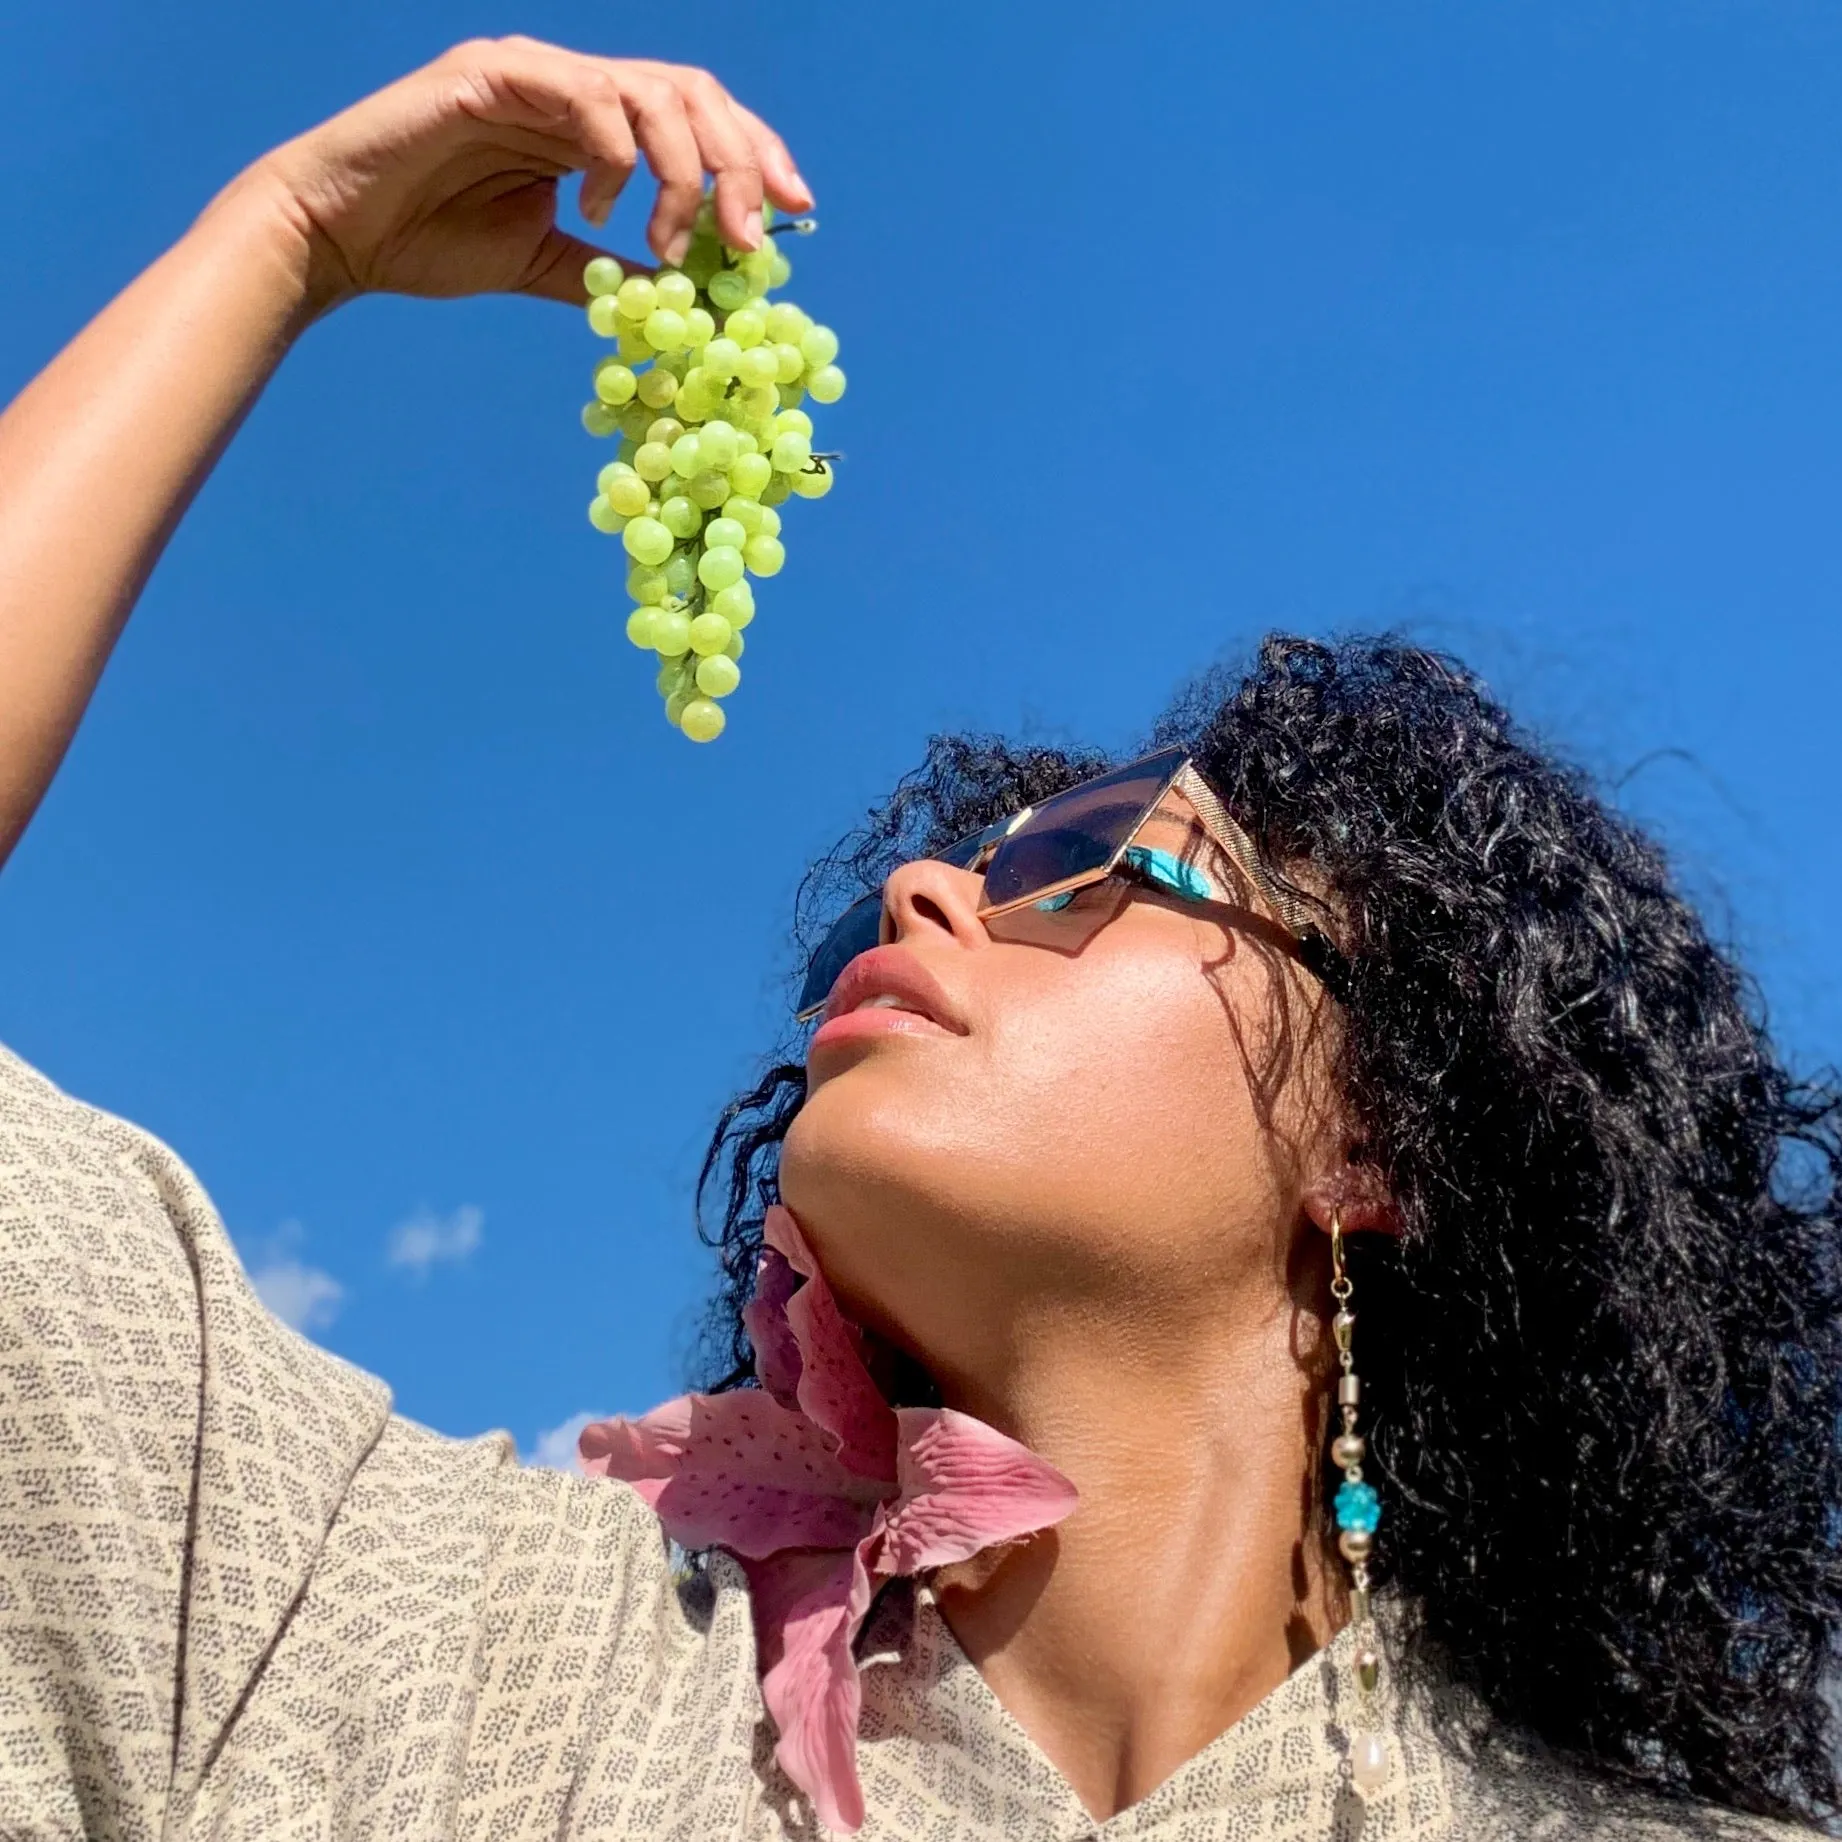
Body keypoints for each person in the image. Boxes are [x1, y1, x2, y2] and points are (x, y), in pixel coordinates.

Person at [0, 38, 1834, 1842]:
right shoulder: (397, 1628)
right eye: (951, 865)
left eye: (1092, 860)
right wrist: (290, 232)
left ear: (1375, 1142)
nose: (924, 893)